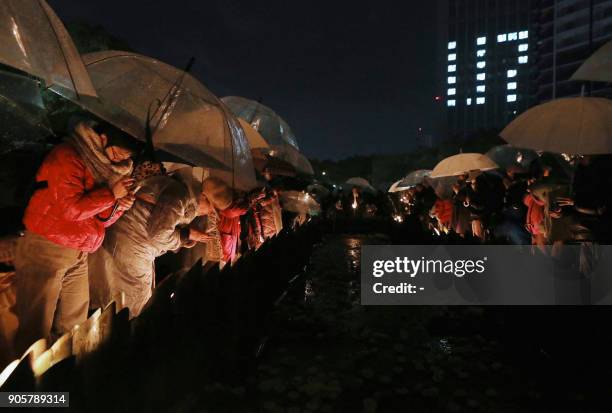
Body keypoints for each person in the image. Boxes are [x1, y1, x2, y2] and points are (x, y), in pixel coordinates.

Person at [12, 119, 138, 354]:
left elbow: (101, 220)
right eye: (117, 153)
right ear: (103, 139)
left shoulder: (107, 170)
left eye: (125, 157)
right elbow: (72, 209)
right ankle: (23, 385)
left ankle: (59, 371)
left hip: (79, 249)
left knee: (74, 322)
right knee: (35, 325)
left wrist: (119, 205)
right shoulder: (67, 155)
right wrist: (111, 194)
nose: (120, 160)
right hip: (47, 243)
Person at [88, 167, 212, 318]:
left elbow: (162, 221)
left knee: (117, 294)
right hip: (132, 247)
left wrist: (185, 235)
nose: (209, 213)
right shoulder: (179, 196)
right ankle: (122, 334)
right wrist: (185, 235)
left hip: (129, 244)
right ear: (204, 196)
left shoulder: (179, 191)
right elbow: (159, 235)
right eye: (212, 208)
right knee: (131, 301)